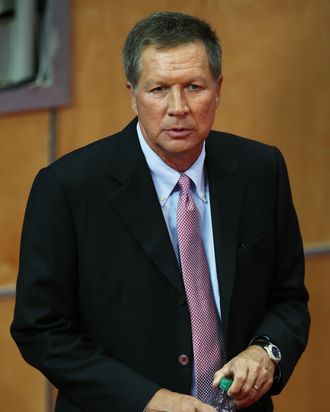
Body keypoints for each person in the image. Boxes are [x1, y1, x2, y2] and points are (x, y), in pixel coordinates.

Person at [11, 11, 310, 412]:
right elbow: (41, 330)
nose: (178, 107)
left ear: (218, 88)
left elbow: (288, 299)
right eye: (158, 89)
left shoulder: (261, 170)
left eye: (194, 86)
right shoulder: (68, 188)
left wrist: (266, 353)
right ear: (132, 93)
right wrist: (148, 401)